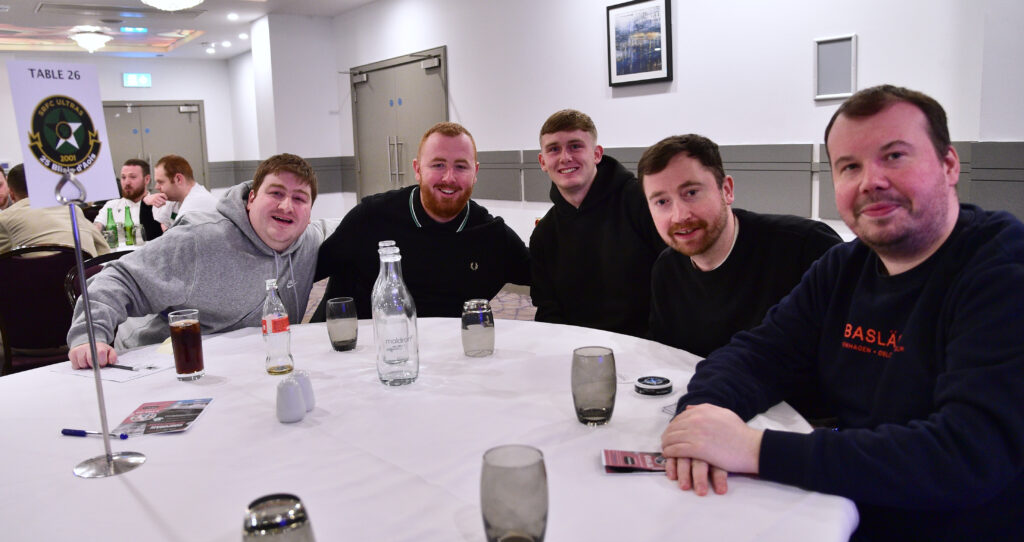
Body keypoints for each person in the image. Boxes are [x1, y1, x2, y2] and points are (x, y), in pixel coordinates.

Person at [660, 85, 1024, 542]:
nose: (871, 181)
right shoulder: (844, 266)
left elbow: (965, 454)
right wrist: (701, 419)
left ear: (949, 165)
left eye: (893, 156)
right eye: (849, 166)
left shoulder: (1001, 267)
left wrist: (756, 449)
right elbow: (758, 352)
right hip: (848, 515)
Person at [67, 153, 322, 367]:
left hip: (244, 367)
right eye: (276, 193)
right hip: (161, 364)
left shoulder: (308, 241)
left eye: (299, 198)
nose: (287, 206)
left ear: (309, 213)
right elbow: (119, 278)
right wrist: (90, 336)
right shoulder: (200, 239)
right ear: (252, 199)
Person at [638, 134, 841, 359]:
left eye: (692, 193)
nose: (679, 216)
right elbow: (667, 361)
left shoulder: (807, 248)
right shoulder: (667, 269)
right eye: (662, 202)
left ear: (727, 190)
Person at [314, 121, 530, 320]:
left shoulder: (491, 235)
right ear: (417, 169)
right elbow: (308, 270)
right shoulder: (371, 218)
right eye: (438, 165)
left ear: (475, 172)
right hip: (370, 352)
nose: (449, 178)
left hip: (451, 354)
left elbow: (545, 275)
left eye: (461, 166)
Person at [529, 109, 664, 337]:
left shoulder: (643, 202)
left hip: (648, 345)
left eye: (575, 146)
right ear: (543, 161)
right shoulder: (545, 234)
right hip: (578, 351)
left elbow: (675, 283)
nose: (565, 157)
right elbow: (548, 310)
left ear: (597, 154)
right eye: (554, 149)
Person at [0, 164, 110, 256]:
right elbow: (103, 248)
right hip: (84, 278)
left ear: (11, 194)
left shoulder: (5, 219)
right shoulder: (73, 209)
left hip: (38, 279)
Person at [92, 159, 162, 242]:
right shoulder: (111, 205)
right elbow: (96, 228)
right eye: (123, 177)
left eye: (132, 177)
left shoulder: (159, 204)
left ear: (146, 179)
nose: (127, 182)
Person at [150, 155, 217, 230]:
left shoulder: (194, 206)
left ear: (178, 179)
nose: (156, 187)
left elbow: (174, 239)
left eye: (161, 182)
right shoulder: (179, 199)